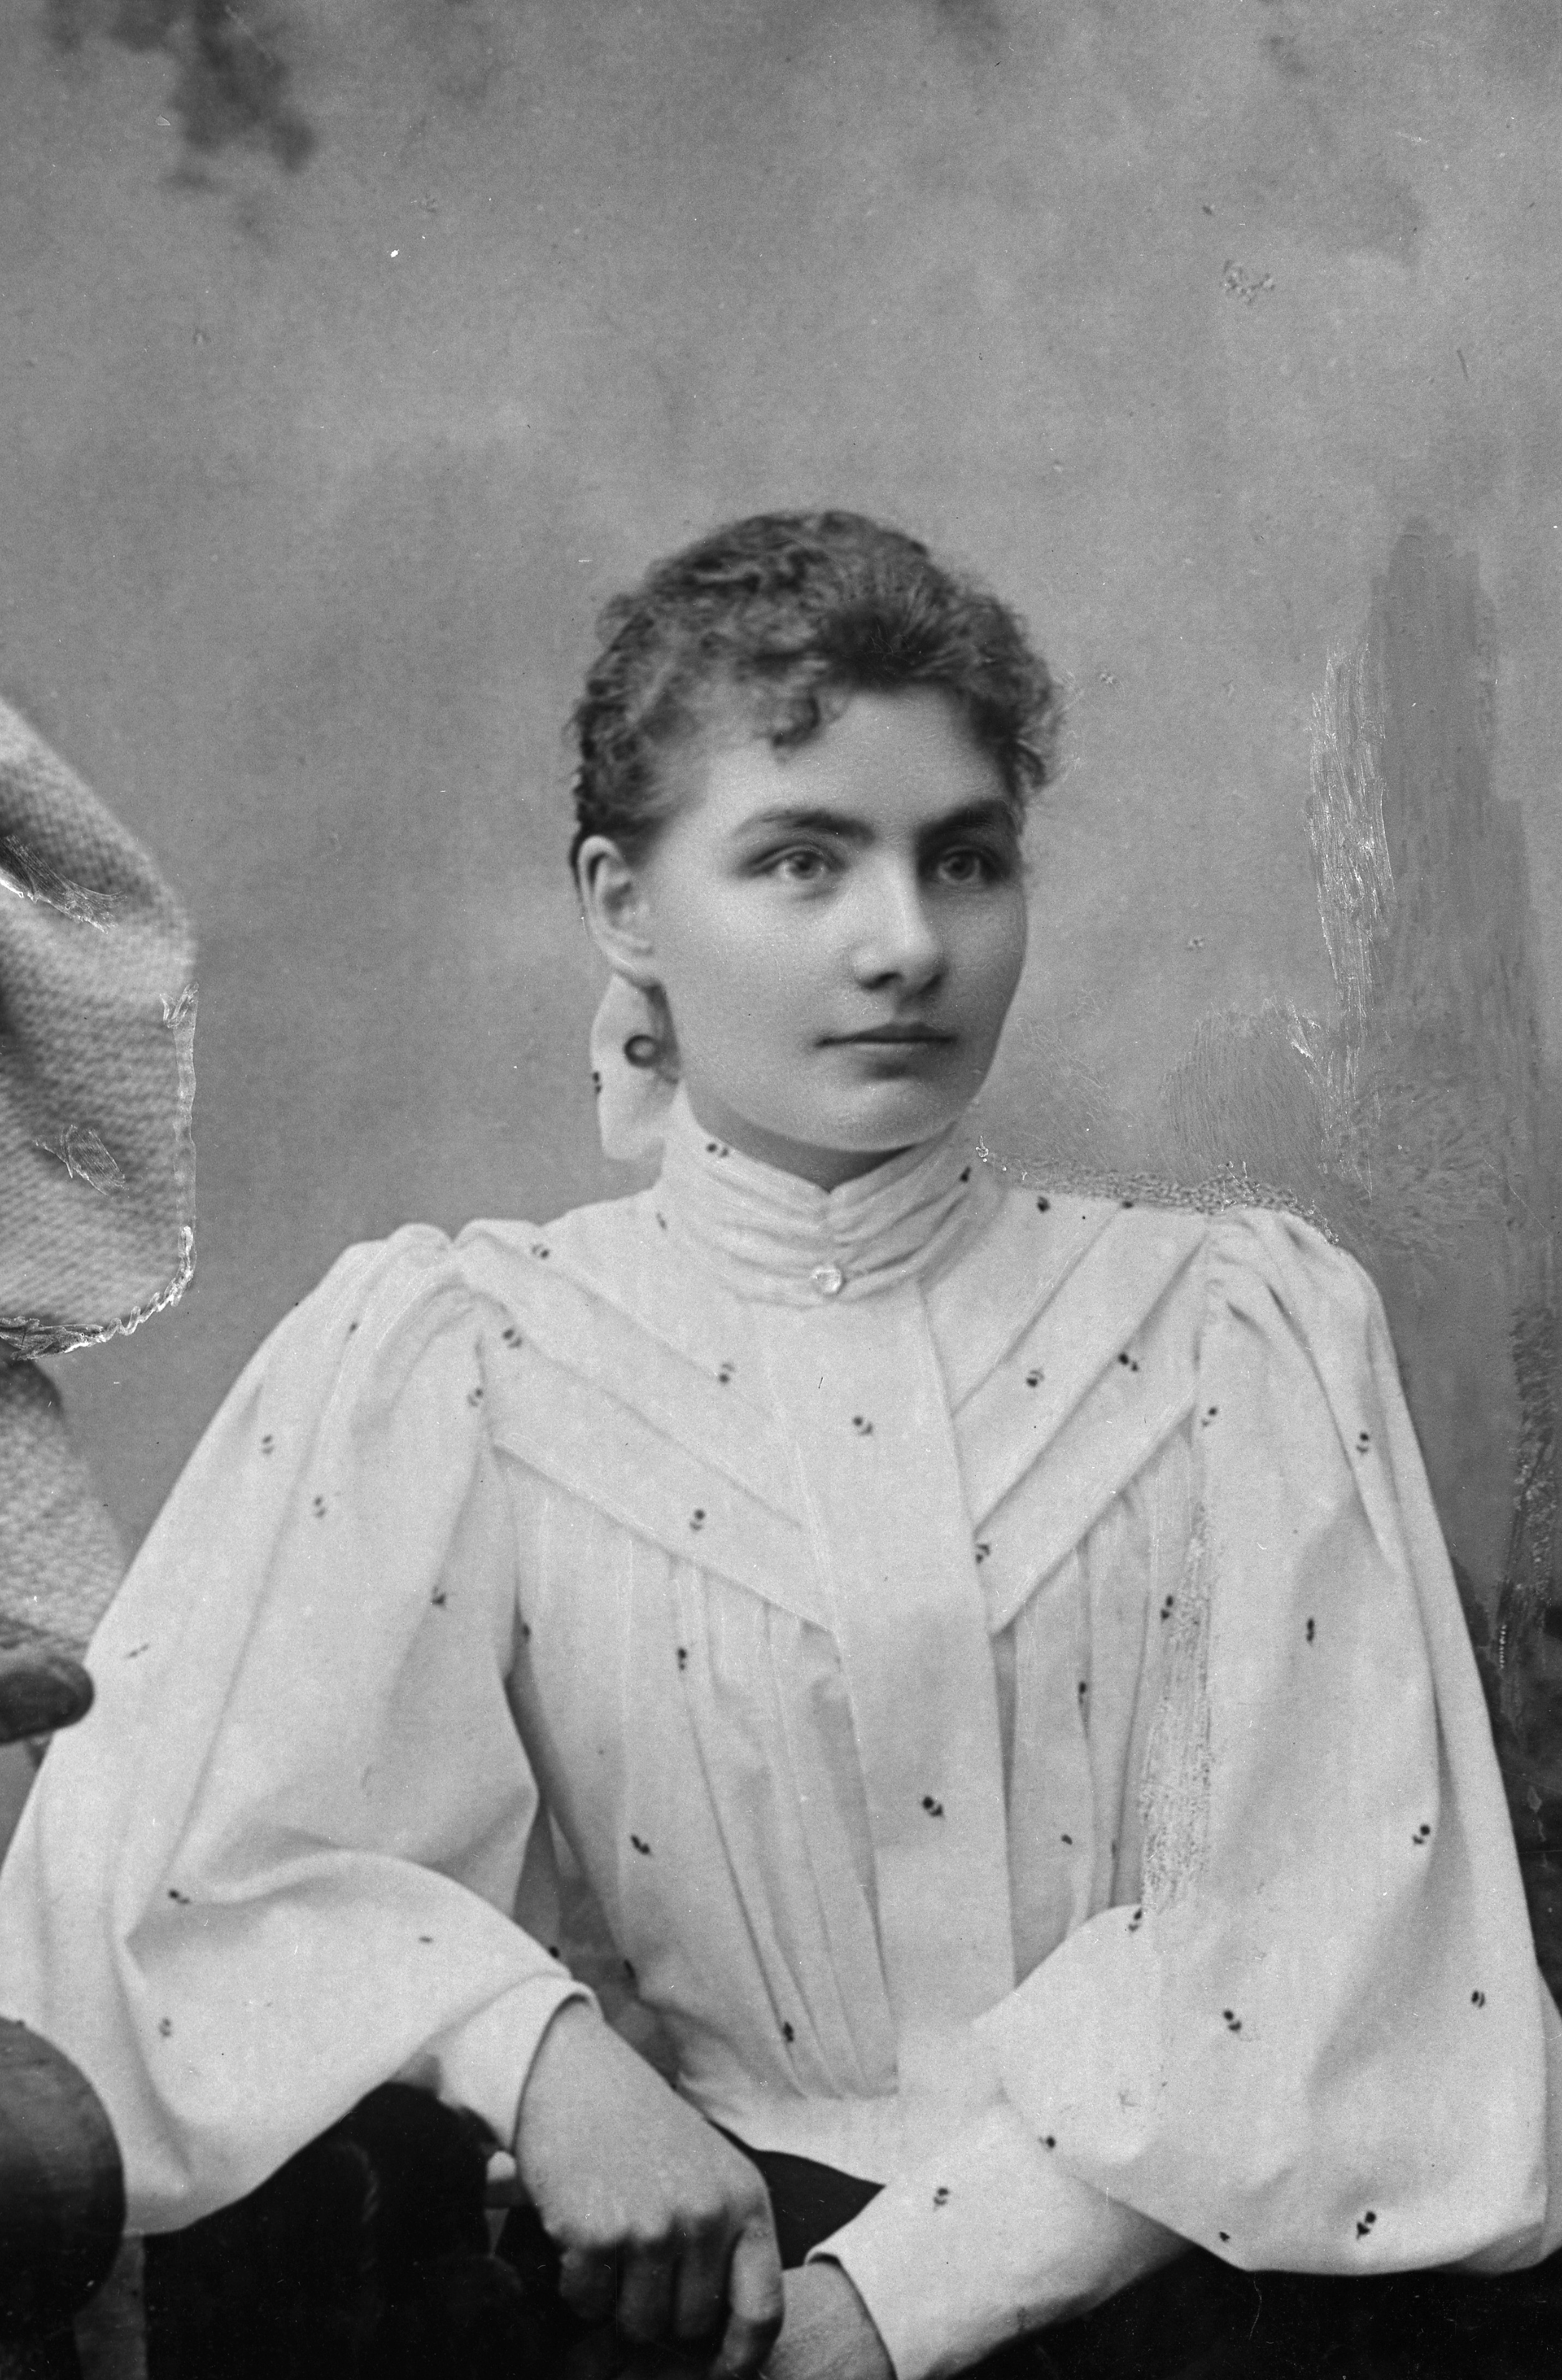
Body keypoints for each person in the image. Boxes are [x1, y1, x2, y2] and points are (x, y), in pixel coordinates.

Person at [1, 512, 1560, 2380]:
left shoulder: (1239, 1327)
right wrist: (539, 2053)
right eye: (802, 862)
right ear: (623, 904)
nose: (906, 945)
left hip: (1208, 2293)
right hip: (704, 2278)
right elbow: (180, 1887)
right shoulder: (471, 1354)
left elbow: (1322, 1930)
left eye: (964, 859)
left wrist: (888, 2309)